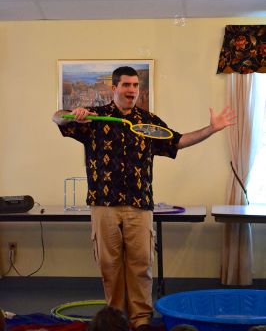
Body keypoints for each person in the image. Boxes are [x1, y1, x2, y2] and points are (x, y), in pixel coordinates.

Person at [52, 66, 236, 331]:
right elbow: (56, 118)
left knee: (141, 267)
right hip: (104, 205)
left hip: (140, 206)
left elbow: (178, 141)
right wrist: (71, 115)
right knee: (110, 267)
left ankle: (140, 322)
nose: (132, 91)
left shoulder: (148, 122)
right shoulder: (95, 118)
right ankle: (115, 321)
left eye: (135, 86)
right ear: (114, 88)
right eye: (126, 85)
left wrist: (212, 129)